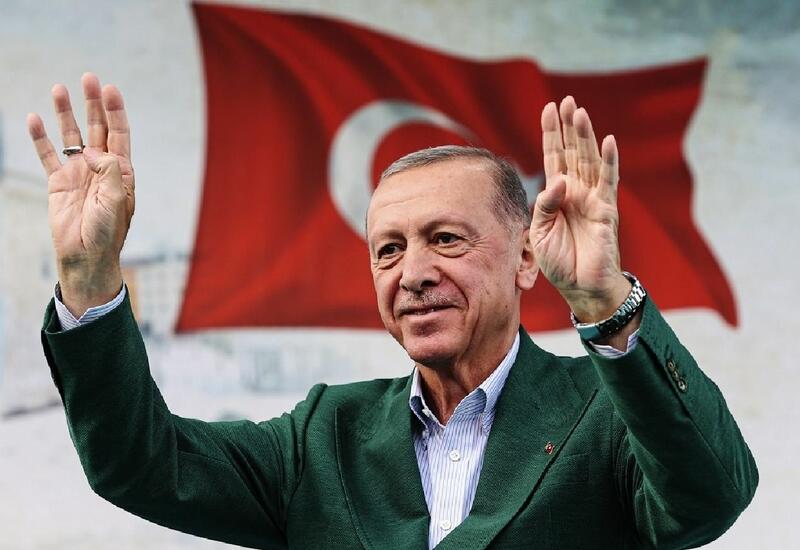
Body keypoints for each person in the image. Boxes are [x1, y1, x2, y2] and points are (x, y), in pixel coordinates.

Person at [29, 73, 757, 549]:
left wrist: (604, 299)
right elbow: (139, 464)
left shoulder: (604, 416)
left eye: (446, 239)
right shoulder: (323, 436)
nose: (413, 274)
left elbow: (712, 497)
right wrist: (89, 277)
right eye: (388, 250)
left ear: (525, 259)